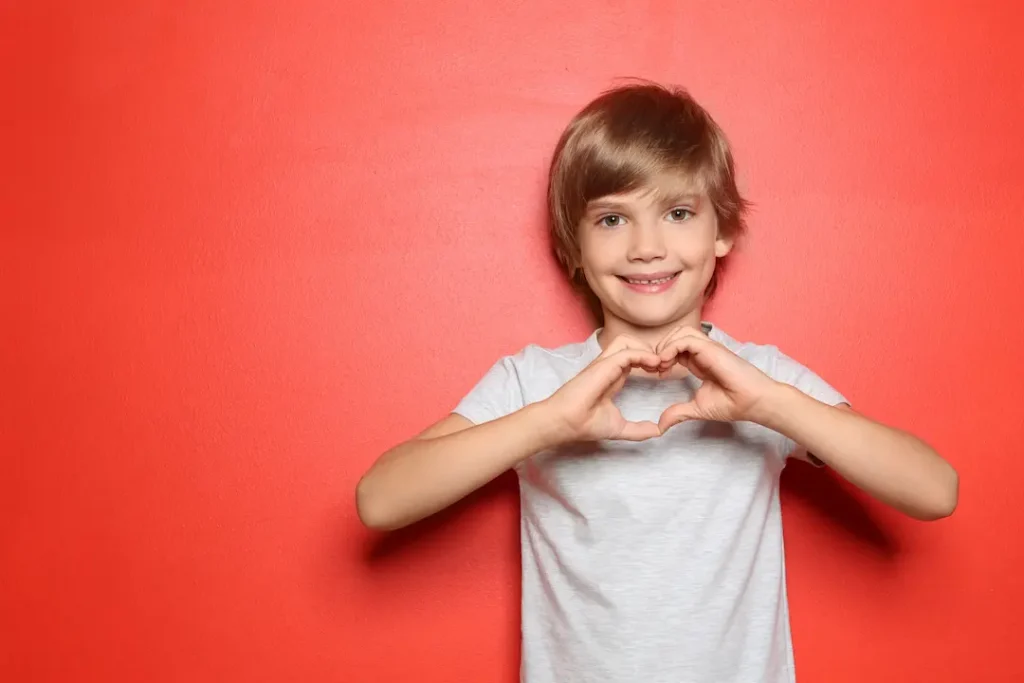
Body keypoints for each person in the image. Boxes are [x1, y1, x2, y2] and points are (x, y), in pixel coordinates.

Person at [355, 81, 959, 683]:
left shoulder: (762, 379)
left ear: (720, 231)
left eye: (677, 213)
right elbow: (381, 499)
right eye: (613, 218)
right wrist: (547, 423)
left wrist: (772, 406)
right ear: (574, 245)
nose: (647, 247)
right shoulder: (535, 381)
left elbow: (935, 489)